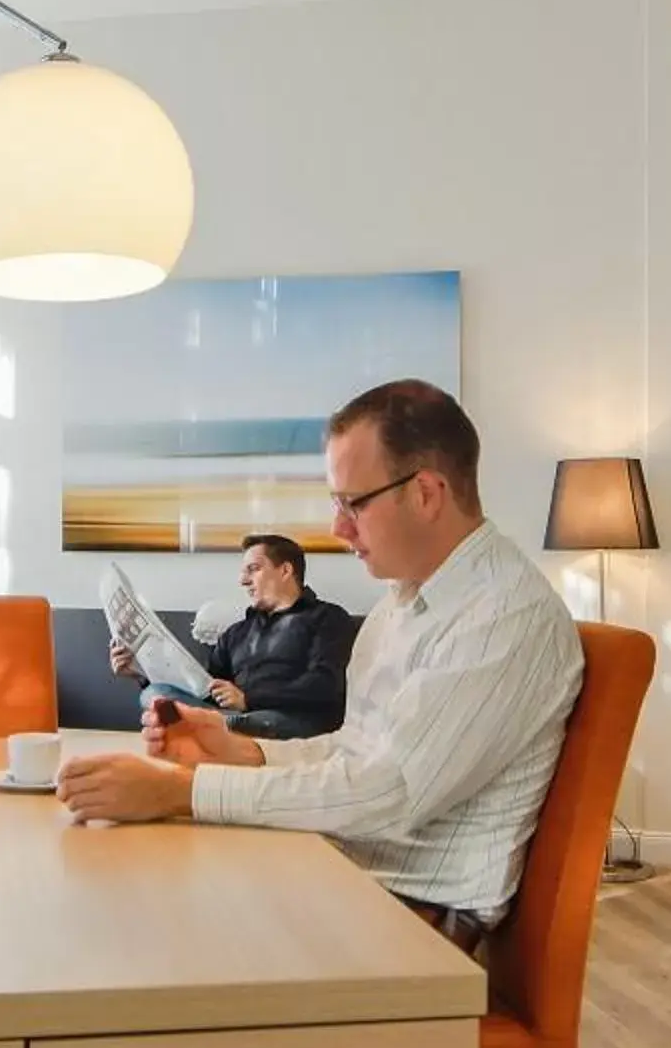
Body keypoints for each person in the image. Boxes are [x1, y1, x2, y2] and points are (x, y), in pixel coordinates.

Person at [59, 379, 583, 951]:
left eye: (352, 503)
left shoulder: (503, 615)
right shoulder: (404, 603)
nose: (337, 528)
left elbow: (387, 796)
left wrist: (180, 791)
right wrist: (247, 752)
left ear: (427, 493)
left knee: (137, 912)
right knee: (125, 887)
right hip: (358, 874)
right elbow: (356, 751)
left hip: (417, 924)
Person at [111, 533, 355, 740]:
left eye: (253, 569)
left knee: (244, 722)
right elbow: (203, 691)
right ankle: (213, 728)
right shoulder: (236, 633)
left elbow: (326, 686)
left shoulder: (328, 618)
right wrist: (141, 672)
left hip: (291, 719)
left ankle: (206, 729)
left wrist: (249, 699)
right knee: (154, 694)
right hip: (233, 717)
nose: (243, 581)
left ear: (285, 570)